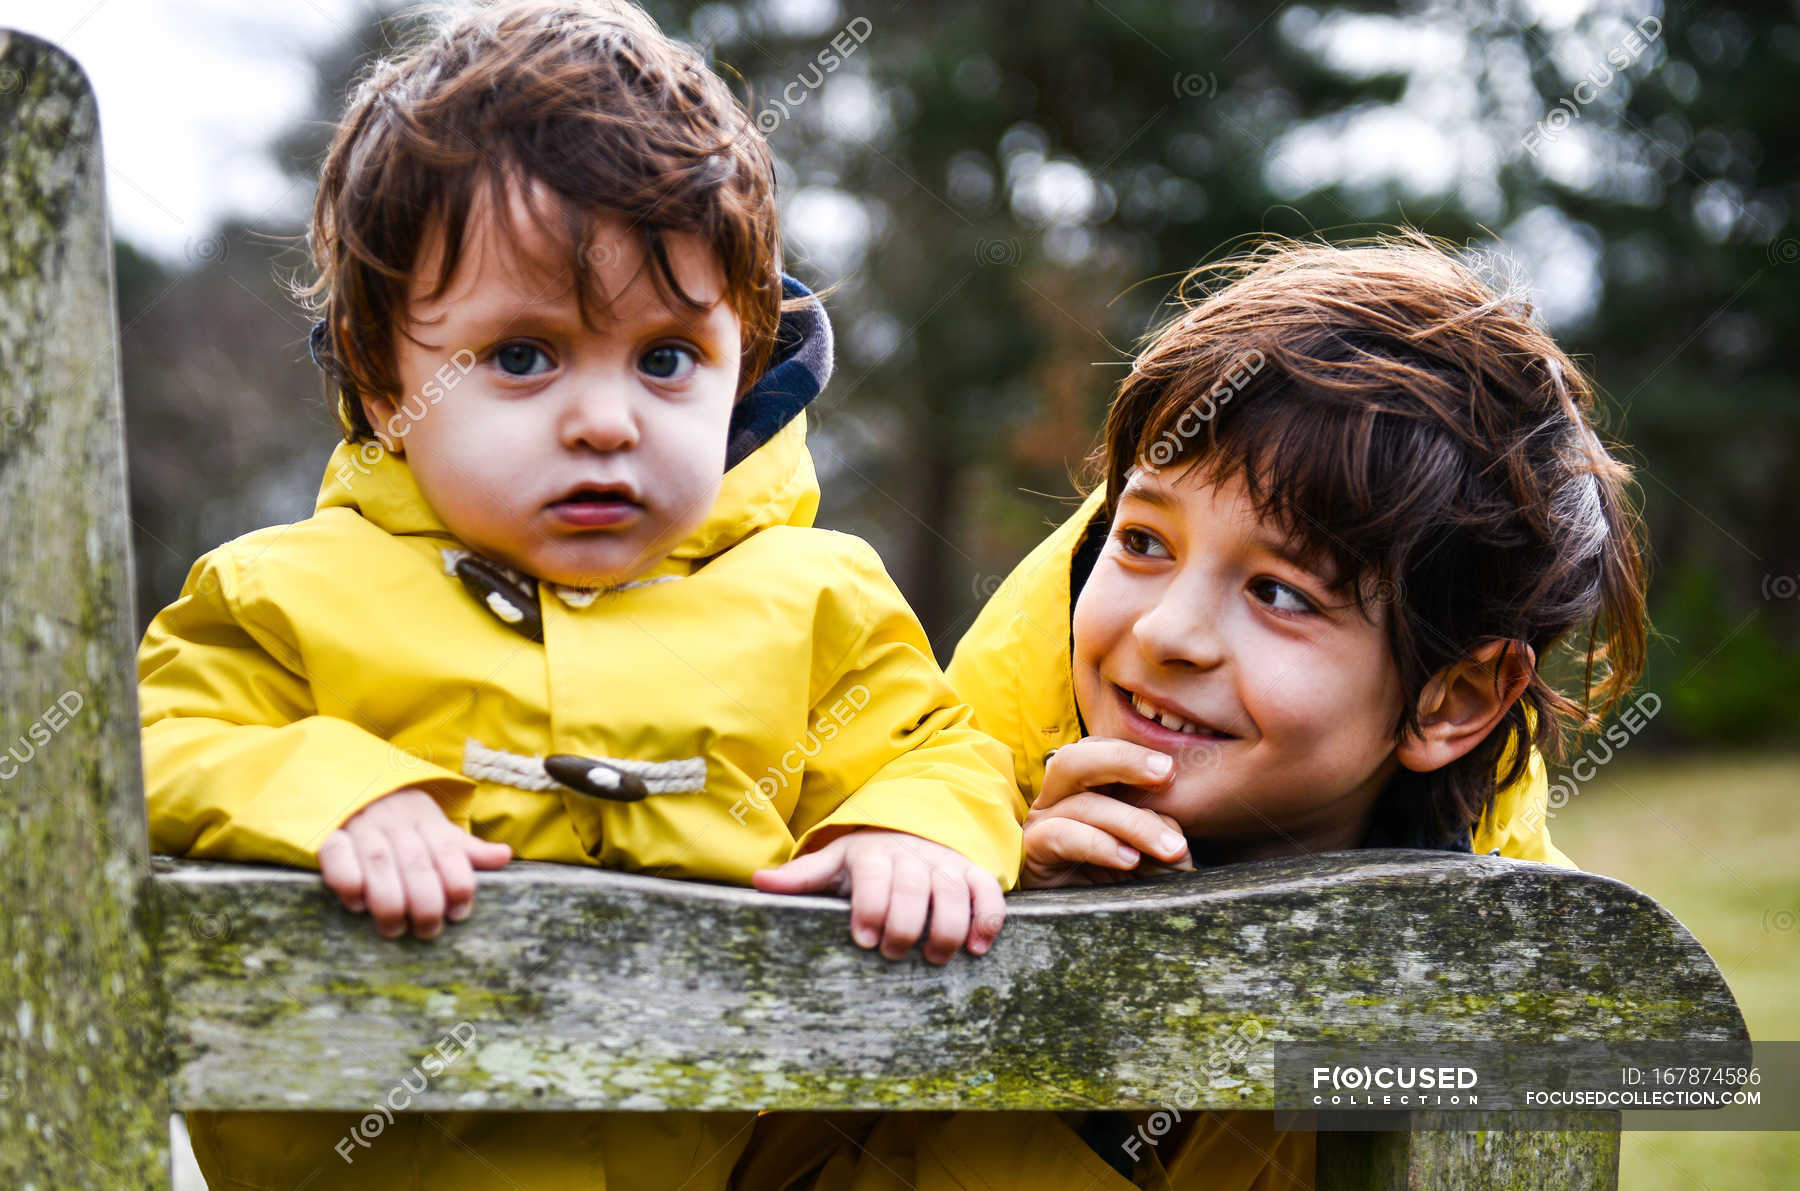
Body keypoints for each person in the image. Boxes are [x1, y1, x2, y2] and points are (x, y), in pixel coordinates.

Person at [137, 3, 1024, 1187]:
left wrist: (907, 829)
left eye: (667, 359)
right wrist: (336, 792)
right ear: (377, 367)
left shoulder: (815, 600)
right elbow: (146, 744)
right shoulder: (280, 596)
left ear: (745, 361)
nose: (607, 422)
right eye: (520, 356)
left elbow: (943, 749)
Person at [735, 234, 1646, 1190]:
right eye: (1141, 539)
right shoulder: (918, 844)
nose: (1170, 631)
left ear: (1450, 700)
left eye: (1282, 593)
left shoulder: (1506, 1002)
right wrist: (1025, 957)